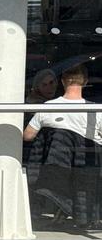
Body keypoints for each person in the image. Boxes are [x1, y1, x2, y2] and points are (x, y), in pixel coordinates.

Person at [24, 65, 102, 229]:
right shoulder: (95, 110)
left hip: (55, 167)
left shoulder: (48, 107)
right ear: (85, 82)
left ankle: (59, 203)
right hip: (86, 168)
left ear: (62, 82)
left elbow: (28, 135)